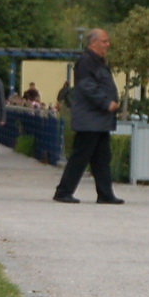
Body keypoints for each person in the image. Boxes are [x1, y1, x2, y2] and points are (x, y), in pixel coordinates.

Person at [53, 29, 124, 205]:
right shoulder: (86, 61)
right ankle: (63, 191)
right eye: (104, 41)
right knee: (80, 156)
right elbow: (87, 86)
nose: (108, 45)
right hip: (90, 119)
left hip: (98, 120)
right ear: (93, 43)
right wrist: (106, 103)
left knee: (101, 158)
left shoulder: (98, 62)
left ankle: (105, 194)